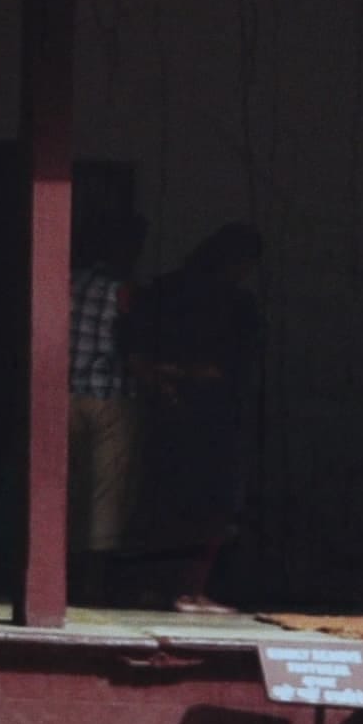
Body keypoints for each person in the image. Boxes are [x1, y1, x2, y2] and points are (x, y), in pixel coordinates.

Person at [123, 223, 261, 614]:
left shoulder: (161, 291)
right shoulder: (236, 304)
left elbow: (135, 352)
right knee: (209, 506)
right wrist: (190, 375)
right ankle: (188, 590)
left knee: (159, 499)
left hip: (163, 406)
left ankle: (149, 586)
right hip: (212, 415)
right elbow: (234, 367)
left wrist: (162, 377)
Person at [68, 205, 145, 584]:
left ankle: (63, 570)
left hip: (62, 396)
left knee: (69, 487)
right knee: (105, 493)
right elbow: (131, 349)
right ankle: (92, 581)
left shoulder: (66, 280)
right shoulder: (122, 290)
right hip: (107, 395)